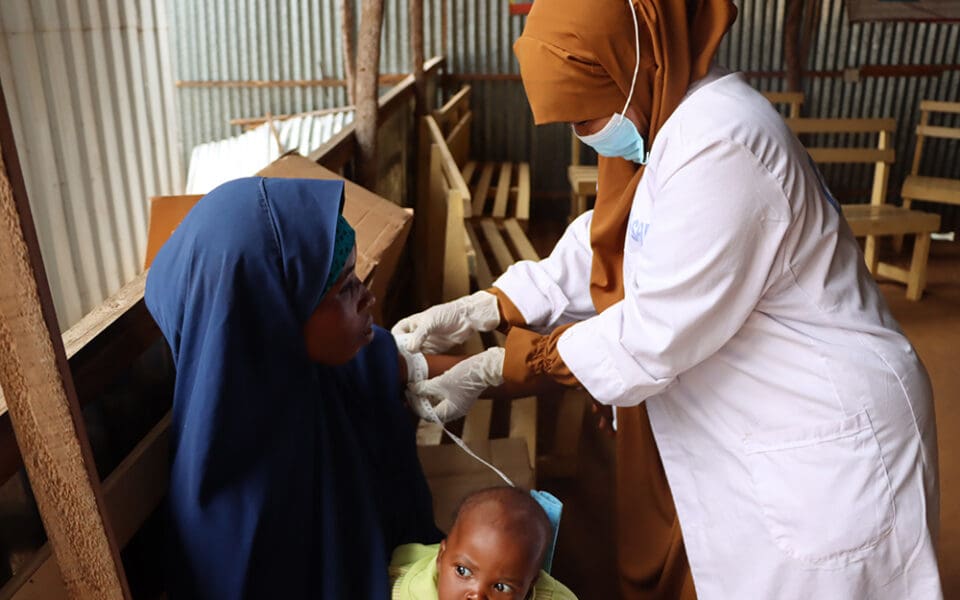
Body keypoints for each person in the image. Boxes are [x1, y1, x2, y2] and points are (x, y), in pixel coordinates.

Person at [394, 0, 942, 598]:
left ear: (631, 64)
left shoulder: (723, 144)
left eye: (585, 116)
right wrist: (489, 306)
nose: (585, 134)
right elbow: (608, 245)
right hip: (753, 407)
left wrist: (496, 368)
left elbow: (652, 330)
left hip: (816, 418)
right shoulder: (666, 131)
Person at [145, 177, 443, 599]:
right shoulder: (239, 527)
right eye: (344, 288)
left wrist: (506, 364)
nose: (367, 297)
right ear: (269, 320)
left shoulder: (313, 378)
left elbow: (401, 367)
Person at [390, 487, 578, 599]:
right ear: (441, 556)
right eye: (462, 571)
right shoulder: (405, 592)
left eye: (501, 587)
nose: (477, 596)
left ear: (530, 586)